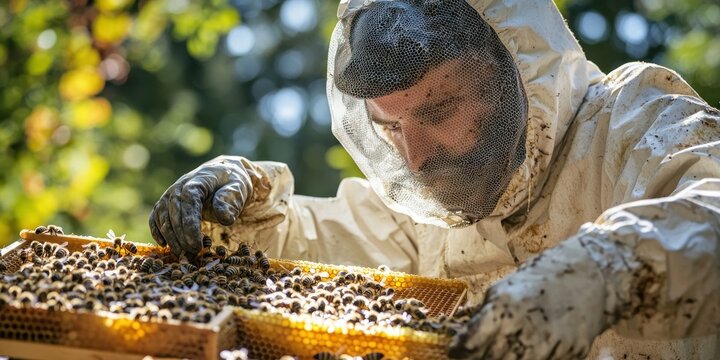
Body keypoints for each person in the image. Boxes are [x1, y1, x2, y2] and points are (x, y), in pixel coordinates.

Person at [149, 0, 720, 358]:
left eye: (440, 110)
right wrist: (246, 223)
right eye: (390, 127)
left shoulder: (631, 122)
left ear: (515, 72)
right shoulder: (430, 213)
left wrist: (609, 269)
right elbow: (323, 246)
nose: (415, 158)